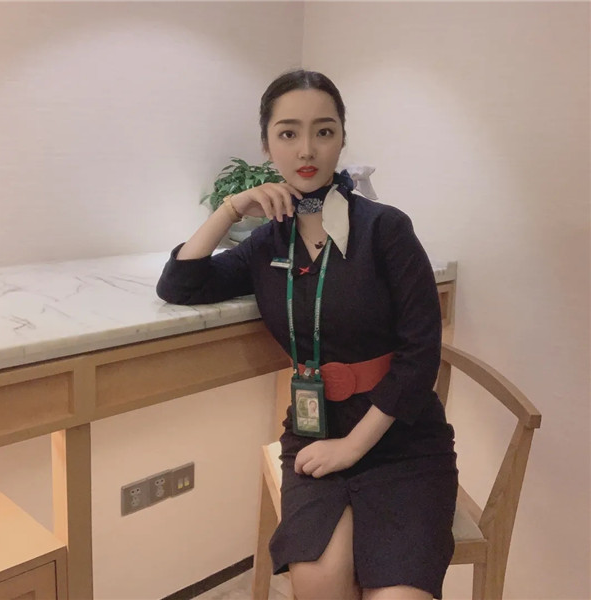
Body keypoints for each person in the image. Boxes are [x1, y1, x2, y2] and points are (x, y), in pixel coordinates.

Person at [156, 69, 458, 600]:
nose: (306, 149)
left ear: (342, 138)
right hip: (314, 432)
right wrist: (232, 208)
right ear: (267, 144)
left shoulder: (385, 229)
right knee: (317, 581)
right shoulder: (267, 243)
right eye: (288, 132)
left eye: (323, 131)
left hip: (400, 437)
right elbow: (181, 284)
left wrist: (353, 447)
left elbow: (420, 355)